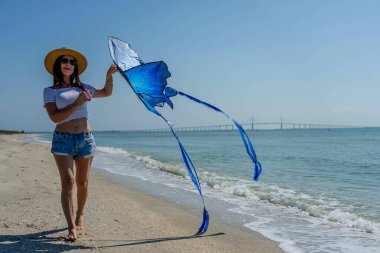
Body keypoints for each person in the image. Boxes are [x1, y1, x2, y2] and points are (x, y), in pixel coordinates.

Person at [43, 47, 117, 241]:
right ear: (58, 66)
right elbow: (54, 117)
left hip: (85, 139)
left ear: (75, 68)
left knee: (83, 182)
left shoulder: (83, 88)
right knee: (68, 182)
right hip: (62, 139)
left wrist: (109, 75)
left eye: (72, 62)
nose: (68, 64)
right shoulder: (50, 91)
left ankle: (80, 215)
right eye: (64, 61)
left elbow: (106, 93)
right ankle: (71, 228)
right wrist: (76, 104)